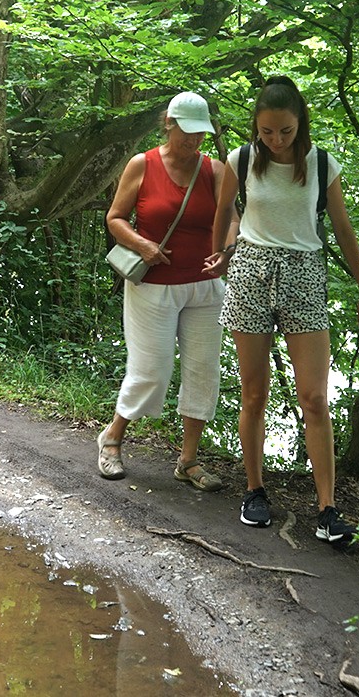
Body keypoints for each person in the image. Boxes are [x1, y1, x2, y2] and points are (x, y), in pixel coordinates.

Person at [207, 77, 359, 546]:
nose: (275, 140)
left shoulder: (322, 164)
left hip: (305, 273)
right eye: (266, 132)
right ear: (255, 128)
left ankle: (327, 509)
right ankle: (255, 491)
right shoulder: (240, 160)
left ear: (299, 123)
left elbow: (342, 229)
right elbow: (223, 213)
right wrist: (221, 253)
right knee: (253, 394)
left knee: (314, 398)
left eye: (284, 131)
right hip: (250, 273)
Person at [96, 91, 239, 492]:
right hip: (153, 286)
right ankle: (113, 436)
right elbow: (115, 218)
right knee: (152, 371)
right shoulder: (143, 164)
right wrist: (142, 245)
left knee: (202, 371)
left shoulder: (215, 170)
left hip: (206, 287)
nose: (194, 141)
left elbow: (233, 219)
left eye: (201, 134)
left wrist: (228, 251)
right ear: (169, 124)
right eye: (187, 133)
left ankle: (188, 461)